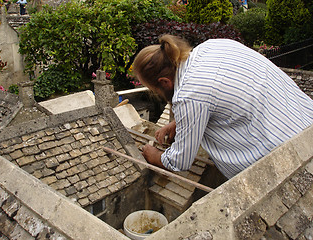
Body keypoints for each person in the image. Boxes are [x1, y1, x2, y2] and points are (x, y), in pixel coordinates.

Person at [133, 34, 313, 179]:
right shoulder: (212, 46)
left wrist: (155, 155)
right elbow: (222, 96)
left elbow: (180, 161)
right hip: (304, 122)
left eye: (155, 90)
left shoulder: (188, 96)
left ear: (164, 81)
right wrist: (181, 122)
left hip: (291, 159)